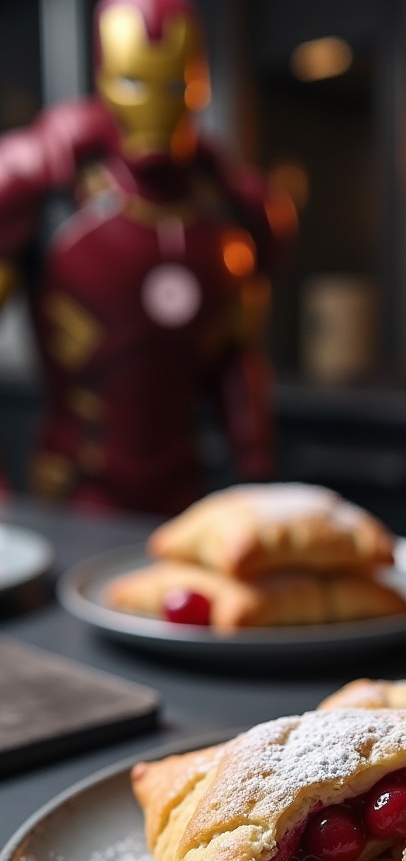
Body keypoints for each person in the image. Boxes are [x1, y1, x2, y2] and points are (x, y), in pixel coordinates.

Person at [0, 0, 292, 514]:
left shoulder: (224, 206)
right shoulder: (50, 185)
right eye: (137, 82)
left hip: (185, 484)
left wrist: (254, 467)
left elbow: (235, 353)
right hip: (76, 485)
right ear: (106, 76)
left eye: (175, 85)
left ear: (198, 82)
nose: (157, 105)